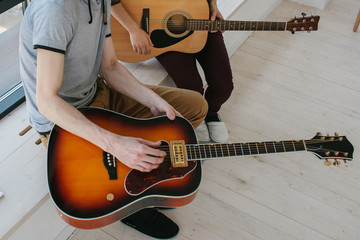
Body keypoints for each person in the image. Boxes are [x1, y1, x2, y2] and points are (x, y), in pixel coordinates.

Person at [19, 0, 208, 239]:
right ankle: (127, 203)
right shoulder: (55, 8)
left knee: (194, 107)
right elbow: (47, 101)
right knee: (110, 171)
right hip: (63, 120)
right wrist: (116, 144)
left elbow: (109, 66)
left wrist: (154, 101)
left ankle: (147, 177)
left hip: (98, 92)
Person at [111, 0, 233, 143]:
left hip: (201, 17)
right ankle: (198, 117)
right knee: (192, 89)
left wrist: (213, 6)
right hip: (162, 29)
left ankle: (210, 112)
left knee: (224, 87)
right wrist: (133, 29)